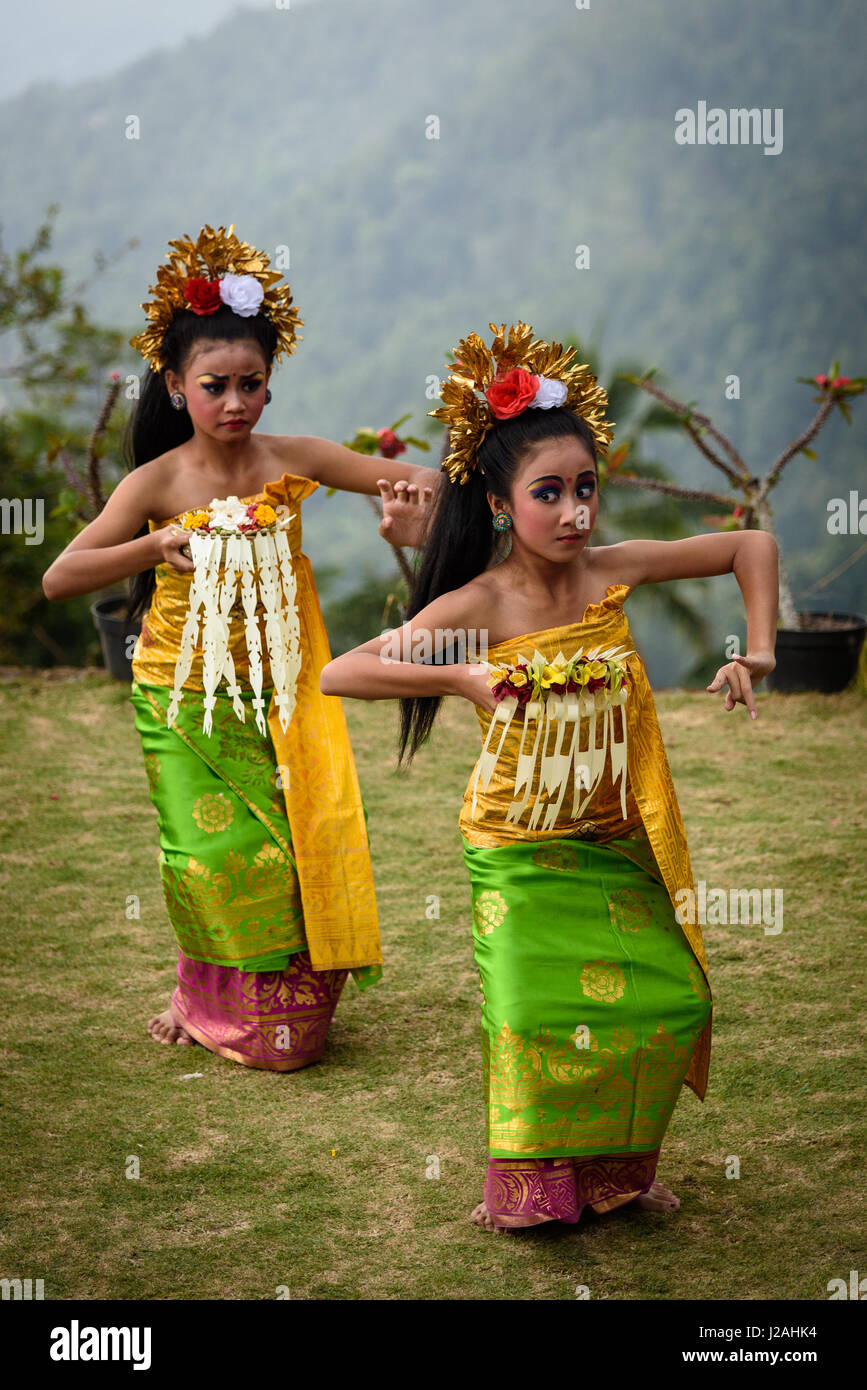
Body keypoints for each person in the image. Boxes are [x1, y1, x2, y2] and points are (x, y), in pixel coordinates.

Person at [320, 321, 778, 1228]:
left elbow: (748, 548)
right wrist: (456, 674)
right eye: (548, 494)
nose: (574, 512)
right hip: (519, 844)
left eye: (584, 488)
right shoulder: (481, 605)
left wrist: (757, 653)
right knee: (531, 1018)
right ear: (498, 505)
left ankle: (613, 1177)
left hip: (613, 835)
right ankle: (528, 1194)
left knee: (668, 999)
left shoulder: (609, 571)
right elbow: (343, 671)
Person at [41, 224, 435, 1071]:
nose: (234, 403)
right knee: (211, 853)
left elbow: (424, 482)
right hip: (180, 695)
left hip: (283, 691)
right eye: (214, 385)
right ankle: (196, 992)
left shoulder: (291, 460)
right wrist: (152, 547)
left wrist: (407, 506)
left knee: (292, 850)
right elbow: (61, 577)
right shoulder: (157, 483)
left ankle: (274, 999)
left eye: (251, 384)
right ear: (177, 386)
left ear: (268, 384)